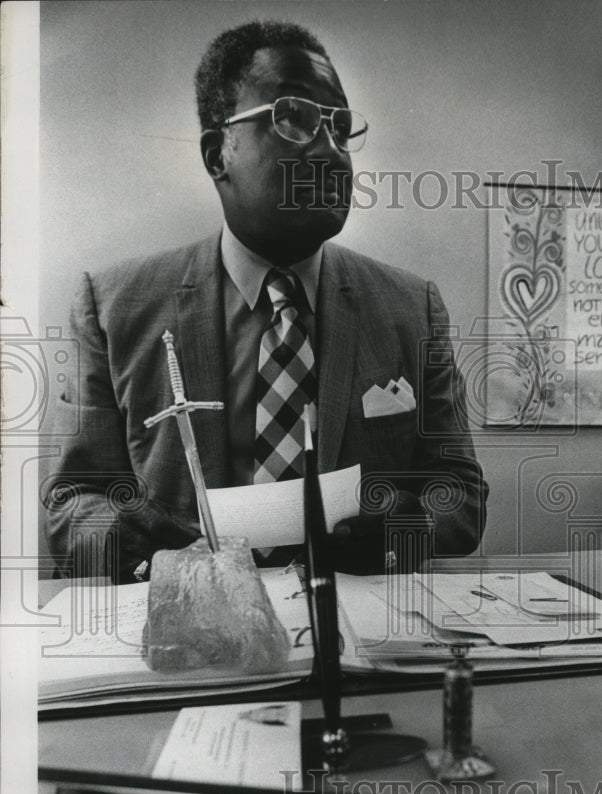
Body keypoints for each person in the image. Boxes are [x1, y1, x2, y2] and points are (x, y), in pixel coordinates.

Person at [44, 19, 487, 582]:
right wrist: (135, 545)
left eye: (340, 127)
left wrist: (402, 530)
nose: (332, 152)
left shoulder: (411, 308)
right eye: (294, 118)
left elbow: (460, 494)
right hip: (191, 625)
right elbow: (71, 505)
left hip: (357, 626)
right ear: (217, 154)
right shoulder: (114, 308)